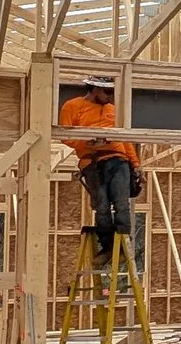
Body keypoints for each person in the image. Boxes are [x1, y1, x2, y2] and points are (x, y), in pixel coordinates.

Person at [59, 78, 141, 246]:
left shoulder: (114, 110)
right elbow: (64, 136)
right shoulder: (72, 106)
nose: (110, 97)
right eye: (108, 92)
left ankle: (124, 246)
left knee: (122, 204)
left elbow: (126, 140)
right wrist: (86, 142)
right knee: (101, 205)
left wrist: (137, 165)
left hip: (119, 160)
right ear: (95, 89)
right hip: (92, 163)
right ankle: (107, 246)